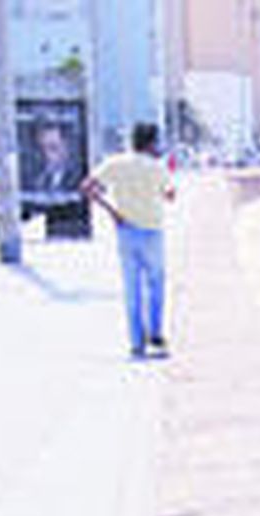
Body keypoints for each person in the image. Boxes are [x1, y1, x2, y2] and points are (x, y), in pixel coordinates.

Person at [82, 122, 176, 360]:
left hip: (126, 230)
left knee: (132, 288)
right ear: (151, 143)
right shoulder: (157, 168)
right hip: (153, 231)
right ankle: (155, 334)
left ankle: (136, 343)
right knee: (156, 286)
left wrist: (111, 212)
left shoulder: (115, 164)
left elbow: (87, 187)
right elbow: (170, 196)